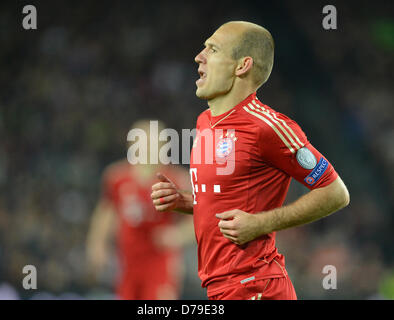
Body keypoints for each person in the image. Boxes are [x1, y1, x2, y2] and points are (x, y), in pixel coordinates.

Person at [150, 21, 350, 300]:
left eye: (213, 49)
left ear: (241, 66)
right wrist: (184, 200)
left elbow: (336, 193)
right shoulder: (205, 122)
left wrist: (260, 224)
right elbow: (225, 198)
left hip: (257, 287)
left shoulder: (267, 127)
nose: (199, 56)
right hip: (220, 288)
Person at [86, 119, 193, 300]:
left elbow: (199, 218)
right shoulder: (116, 177)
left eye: (153, 142)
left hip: (160, 260)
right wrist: (97, 244)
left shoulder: (177, 179)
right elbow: (106, 212)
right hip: (128, 262)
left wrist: (178, 235)